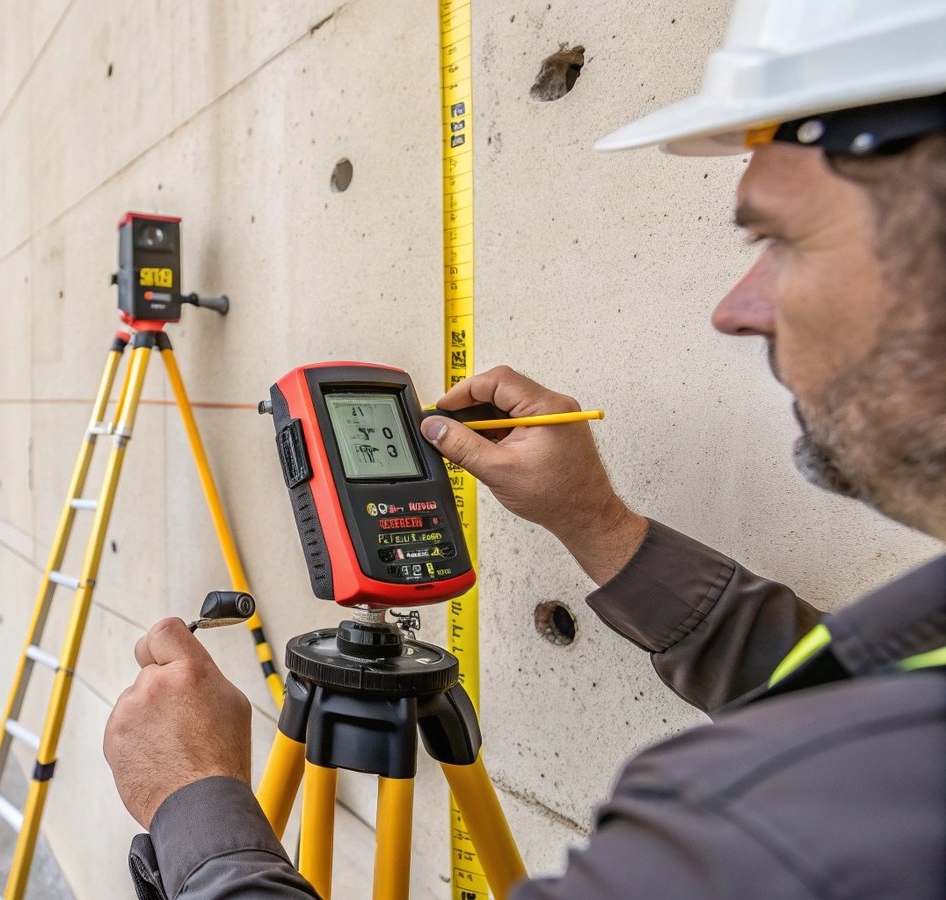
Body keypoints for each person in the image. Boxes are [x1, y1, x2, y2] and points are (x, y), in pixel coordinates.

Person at [105, 1, 946, 896]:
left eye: (778, 237)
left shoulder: (756, 835)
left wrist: (196, 803)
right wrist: (598, 523)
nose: (734, 308)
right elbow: (835, 694)